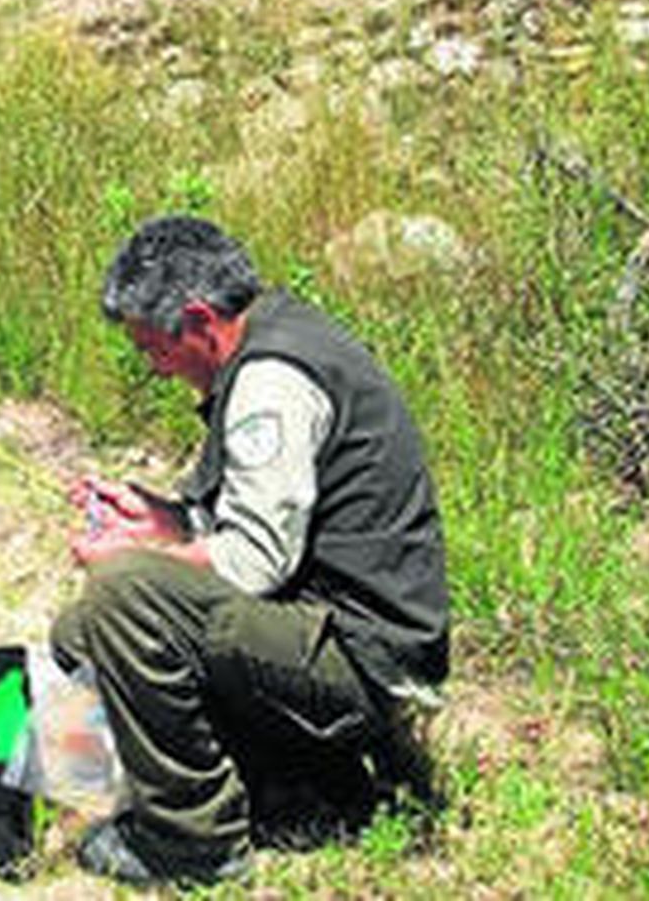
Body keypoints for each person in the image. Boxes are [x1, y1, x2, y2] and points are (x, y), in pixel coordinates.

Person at [51, 215, 449, 886]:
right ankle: (291, 778)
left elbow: (257, 561)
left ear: (201, 320)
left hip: (363, 660)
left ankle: (193, 841)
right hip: (321, 627)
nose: (155, 367)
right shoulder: (272, 336)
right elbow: (252, 520)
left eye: (155, 349)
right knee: (81, 631)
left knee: (121, 599)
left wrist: (135, 562)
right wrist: (164, 521)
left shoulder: (270, 381)